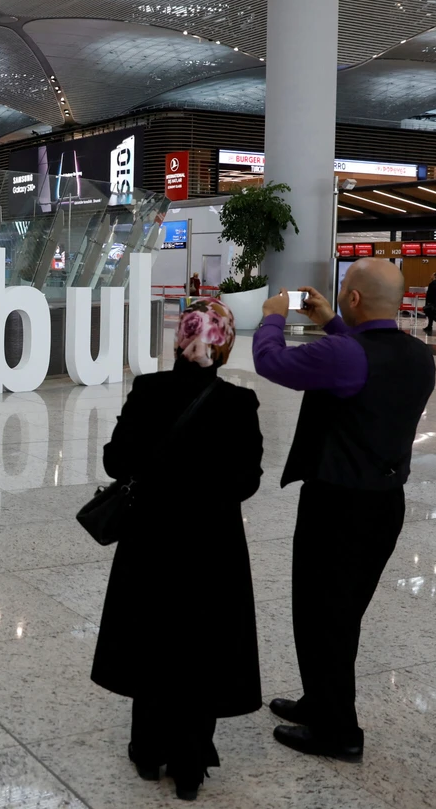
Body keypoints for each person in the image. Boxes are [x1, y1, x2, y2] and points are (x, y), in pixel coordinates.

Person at [253, 260, 436, 762]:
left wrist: (271, 316)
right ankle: (320, 702)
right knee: (338, 614)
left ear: (354, 299)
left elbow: (272, 363)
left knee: (321, 615)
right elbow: (360, 367)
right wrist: (331, 321)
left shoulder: (345, 354)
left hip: (337, 505)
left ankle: (339, 731)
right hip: (384, 504)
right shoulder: (419, 356)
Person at [93, 298, 263, 802]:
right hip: (214, 546)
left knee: (151, 634)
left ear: (177, 341)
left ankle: (146, 749)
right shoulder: (239, 404)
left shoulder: (147, 391)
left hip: (150, 540)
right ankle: (191, 762)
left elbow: (114, 462)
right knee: (202, 642)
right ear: (225, 347)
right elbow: (246, 482)